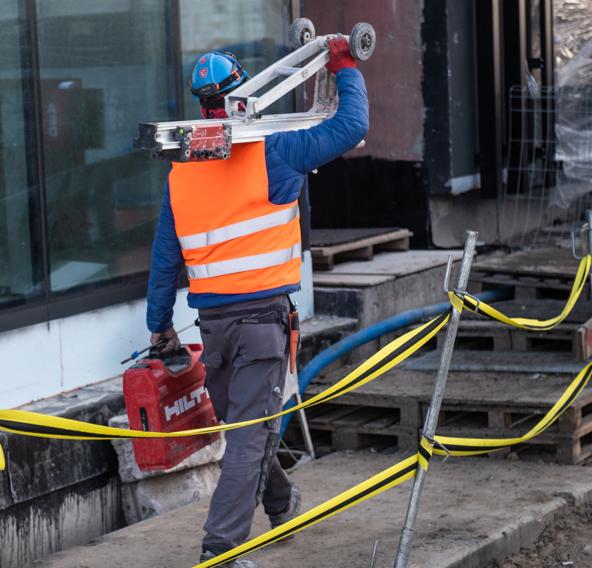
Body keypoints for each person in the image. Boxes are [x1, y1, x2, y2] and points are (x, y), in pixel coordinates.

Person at [145, 37, 368, 567]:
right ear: (244, 94)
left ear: (203, 107)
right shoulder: (277, 152)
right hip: (260, 325)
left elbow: (163, 260)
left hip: (216, 328)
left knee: (246, 429)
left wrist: (160, 329)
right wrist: (345, 67)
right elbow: (351, 126)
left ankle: (278, 504)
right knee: (248, 435)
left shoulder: (182, 171)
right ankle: (223, 548)